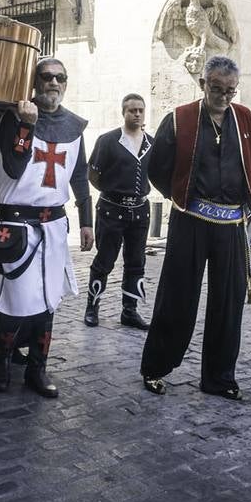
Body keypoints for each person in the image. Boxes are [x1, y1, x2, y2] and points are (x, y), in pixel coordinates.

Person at [140, 55, 251, 399]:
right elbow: (158, 168)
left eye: (230, 90)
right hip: (190, 220)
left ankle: (219, 378)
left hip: (232, 224)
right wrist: (182, 197)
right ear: (204, 84)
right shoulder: (179, 118)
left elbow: (250, 162)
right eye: (217, 88)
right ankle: (155, 368)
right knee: (177, 297)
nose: (224, 96)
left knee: (228, 303)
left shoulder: (246, 118)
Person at [0, 57, 92, 399]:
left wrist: (87, 221)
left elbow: (80, 175)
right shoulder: (14, 119)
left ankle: (37, 369)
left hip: (55, 225)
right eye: (46, 76)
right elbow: (14, 168)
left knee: (48, 302)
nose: (53, 83)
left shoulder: (75, 126)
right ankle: (0, 361)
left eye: (60, 77)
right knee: (16, 300)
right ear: (35, 81)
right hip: (18, 224)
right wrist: (26, 126)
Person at [84, 93, 154, 329]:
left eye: (140, 110)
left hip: (140, 212)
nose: (137, 114)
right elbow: (93, 174)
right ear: (123, 112)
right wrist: (112, 191)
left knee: (136, 261)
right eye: (132, 110)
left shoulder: (151, 143)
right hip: (111, 211)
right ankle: (92, 308)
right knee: (104, 260)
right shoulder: (108, 140)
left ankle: (130, 311)